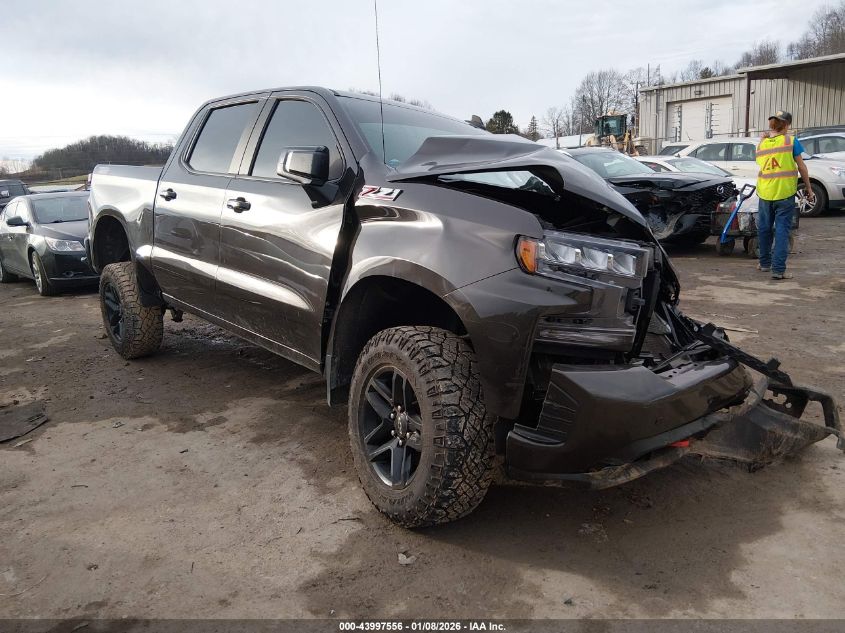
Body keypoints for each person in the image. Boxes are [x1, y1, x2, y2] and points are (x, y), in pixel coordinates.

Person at [755, 110, 813, 280]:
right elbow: (801, 167)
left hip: (765, 192)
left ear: (772, 124)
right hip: (785, 193)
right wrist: (808, 188)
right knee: (781, 231)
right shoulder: (791, 141)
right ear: (787, 125)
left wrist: (763, 138)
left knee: (764, 229)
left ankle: (765, 264)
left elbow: (761, 161)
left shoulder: (761, 144)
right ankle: (778, 270)